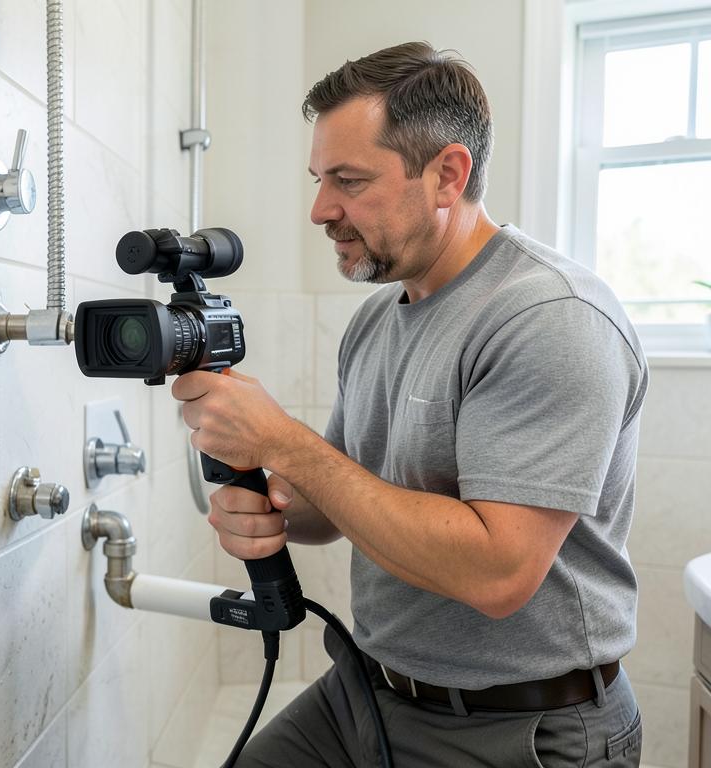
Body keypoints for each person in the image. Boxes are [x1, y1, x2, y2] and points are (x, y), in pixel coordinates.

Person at [172, 42, 647, 767]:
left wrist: (283, 442)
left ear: (448, 174)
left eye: (349, 181)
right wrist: (273, 507)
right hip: (366, 691)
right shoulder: (377, 319)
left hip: (519, 727)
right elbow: (340, 501)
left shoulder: (550, 317)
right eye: (319, 179)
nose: (320, 209)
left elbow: (498, 574)